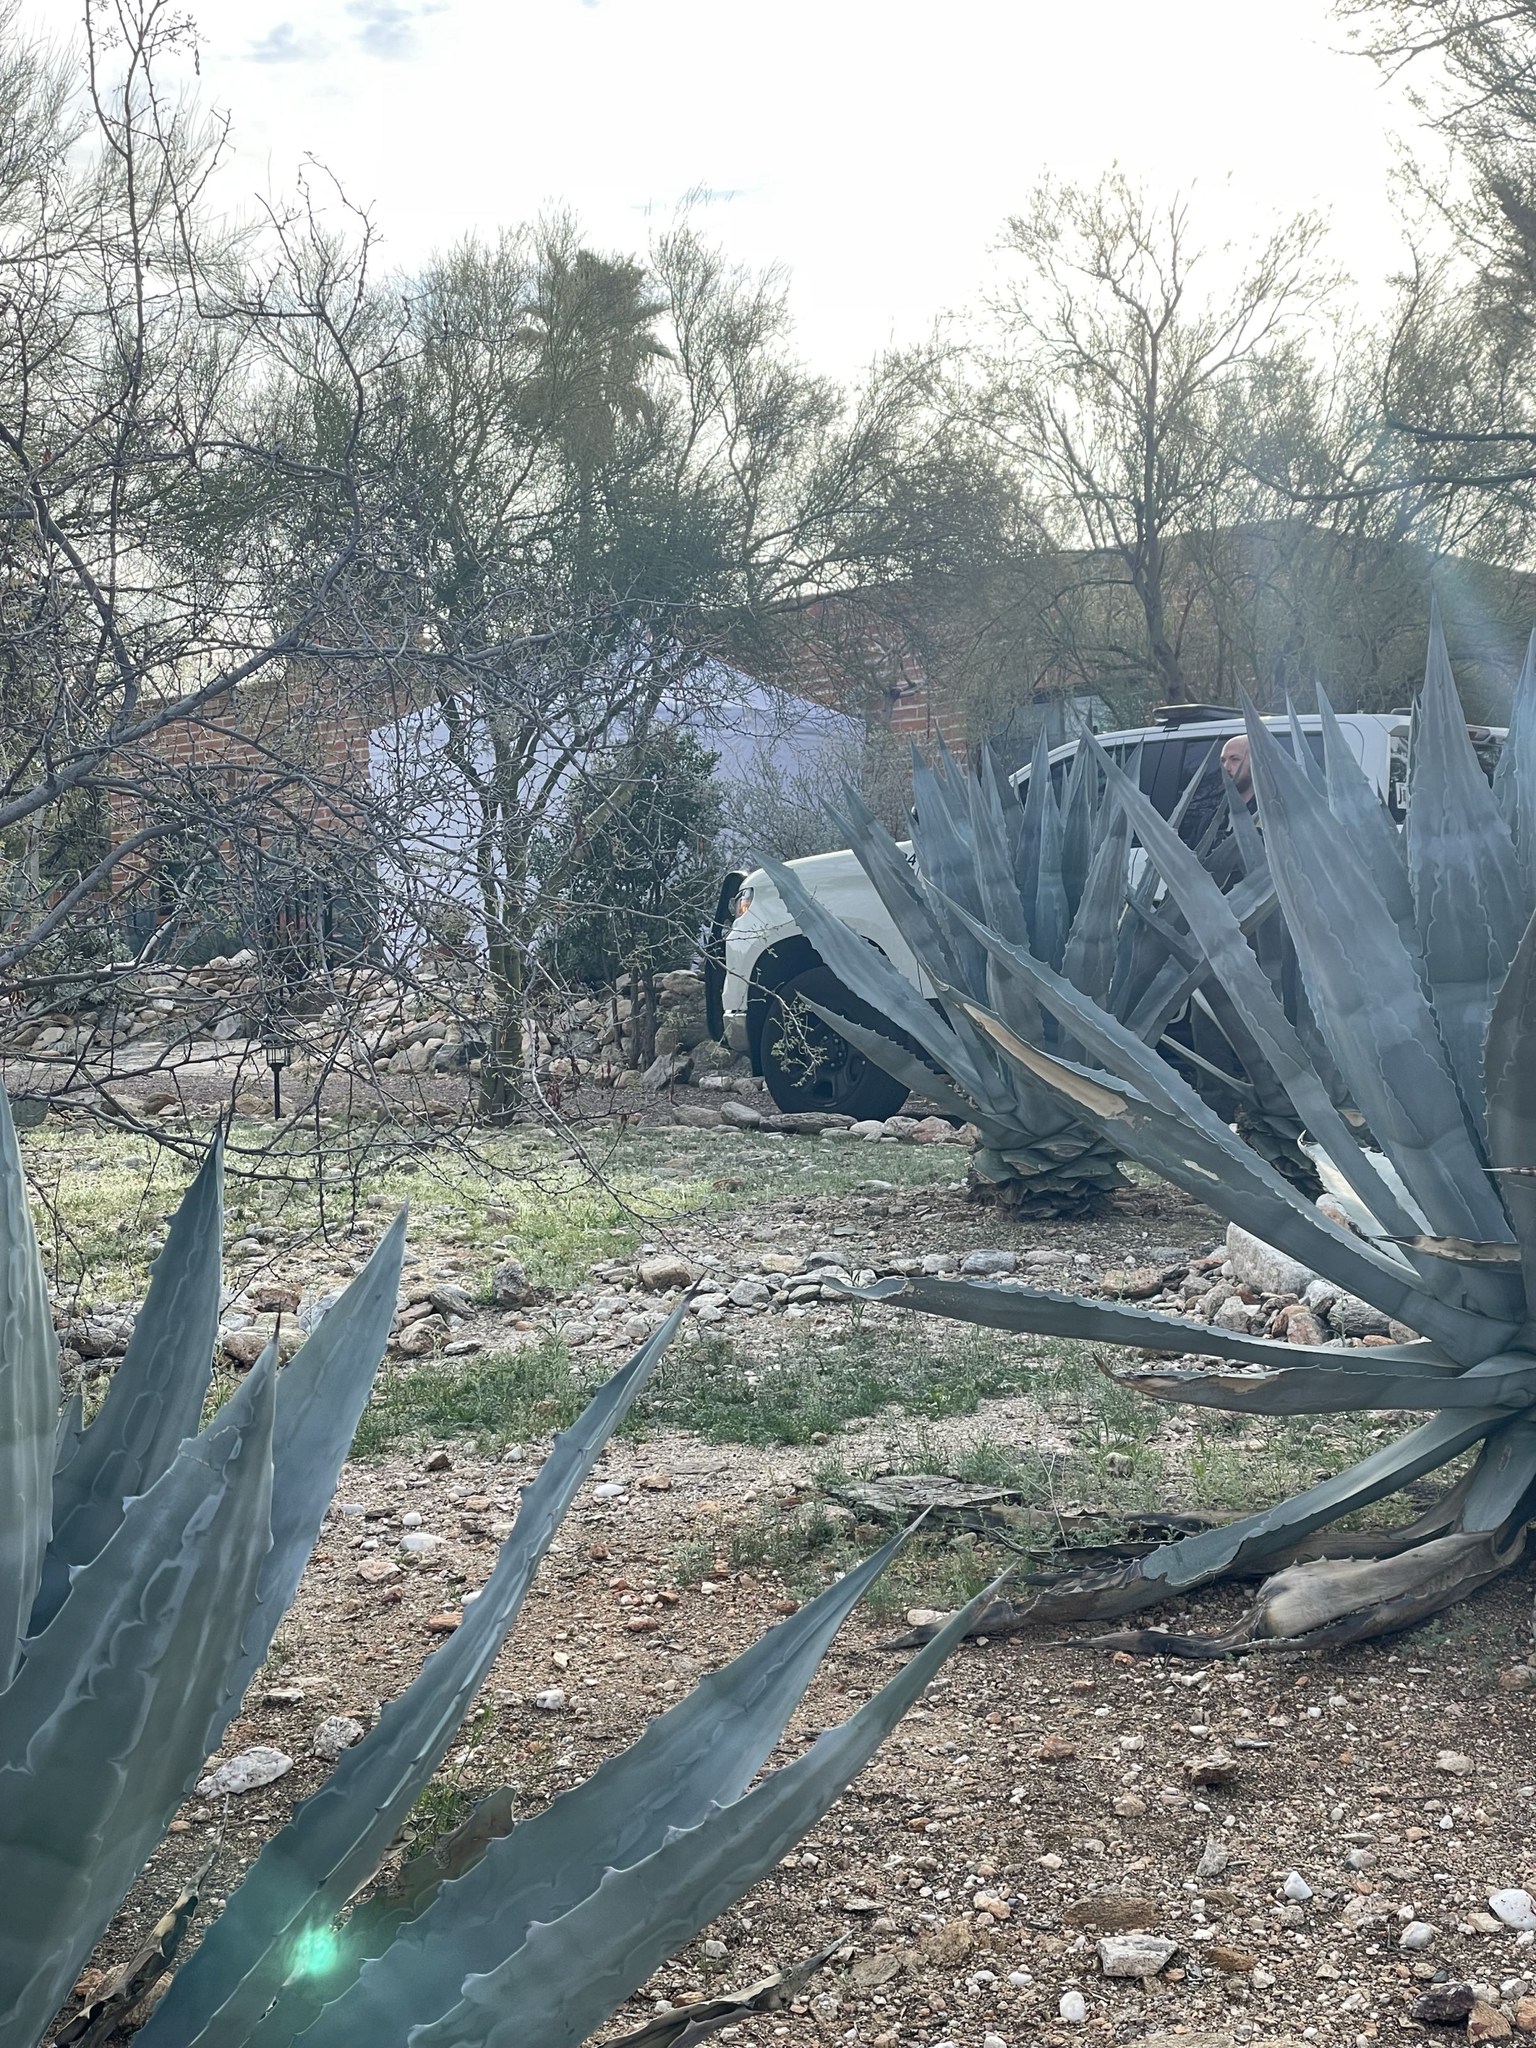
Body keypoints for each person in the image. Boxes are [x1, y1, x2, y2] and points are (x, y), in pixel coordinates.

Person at [1220, 734, 1254, 806]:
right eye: (1223, 761)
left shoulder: (1273, 811)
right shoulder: (1212, 811)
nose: (1226, 767)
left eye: (1235, 759)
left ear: (1254, 762)